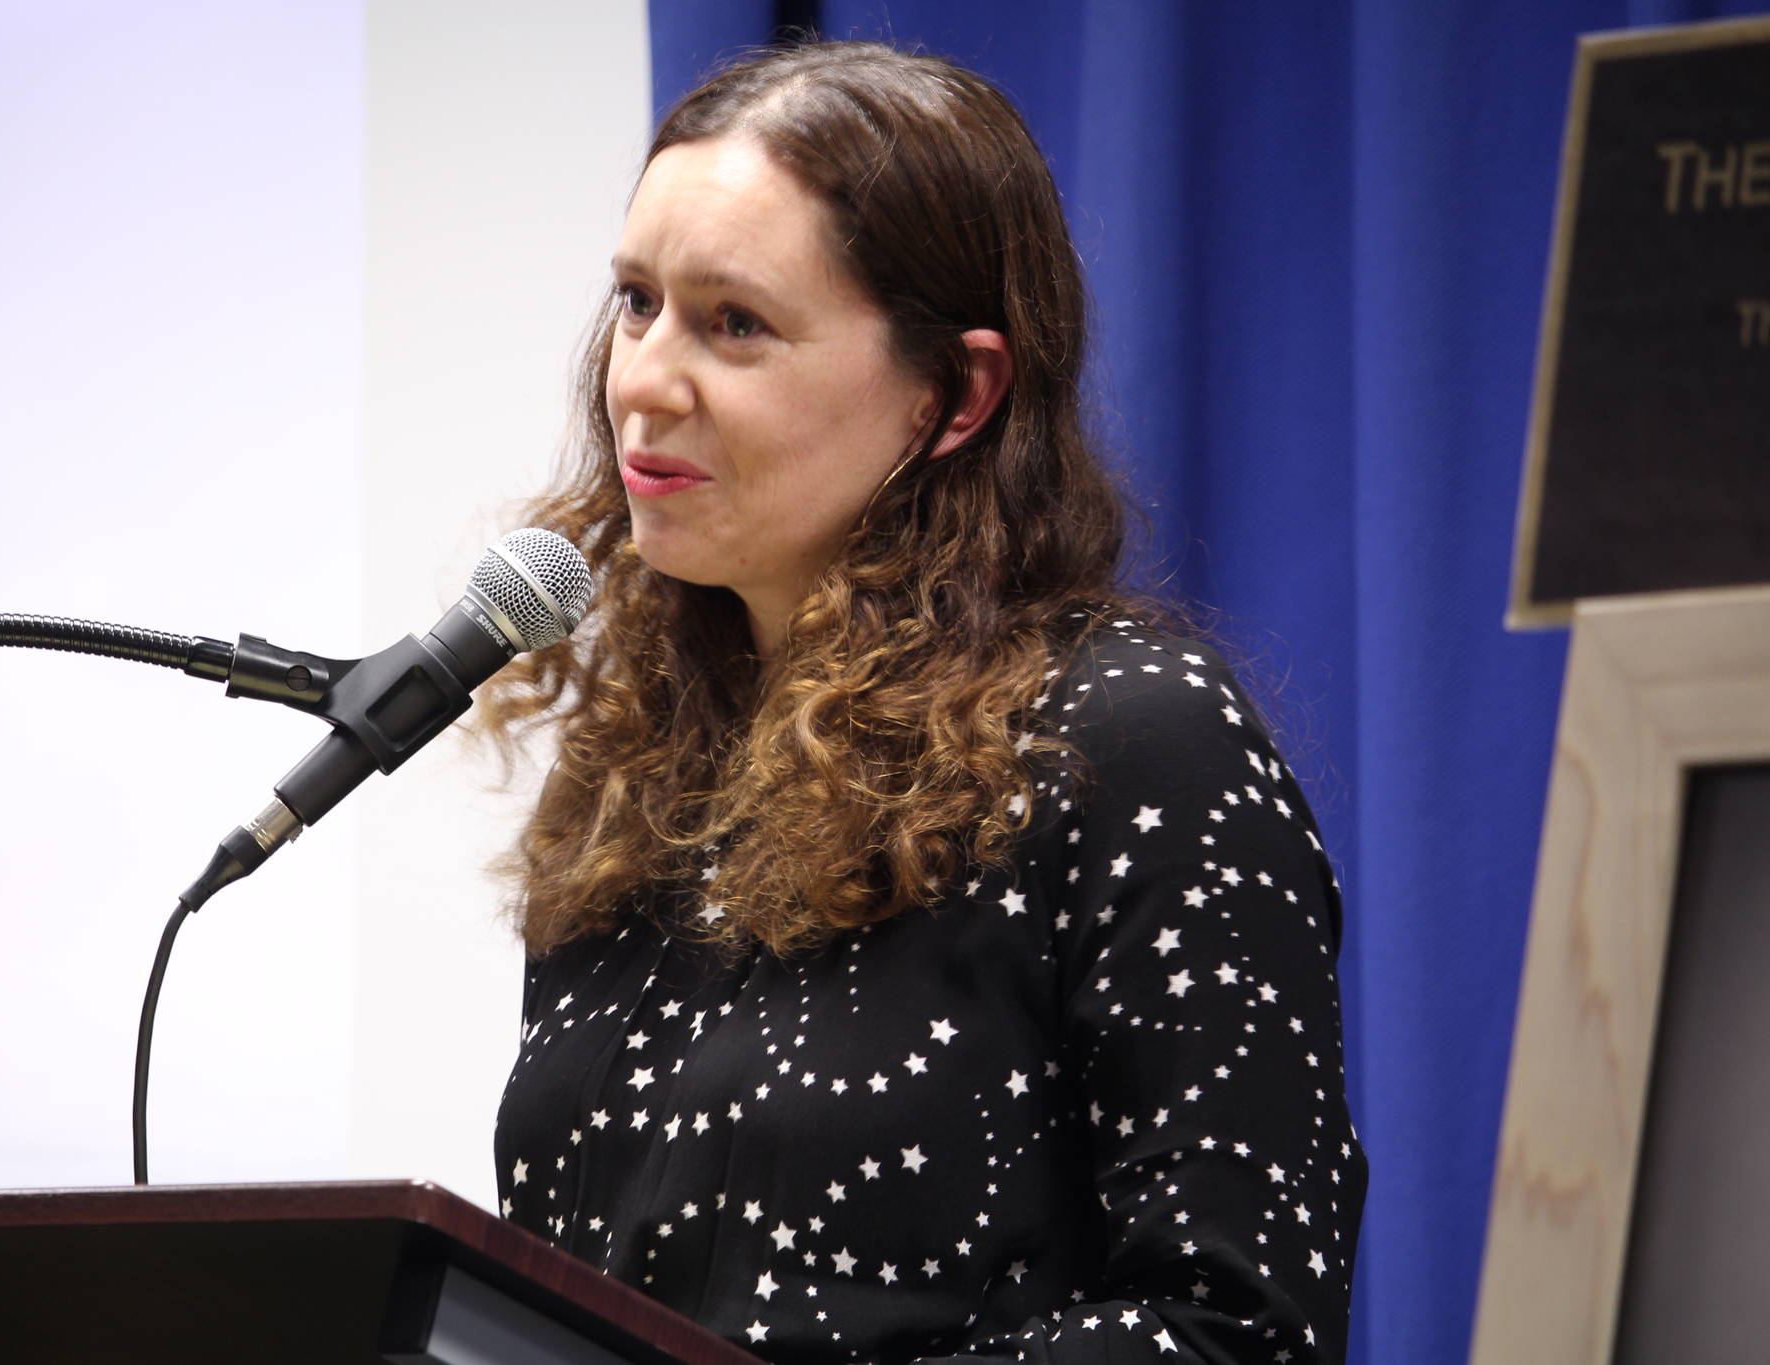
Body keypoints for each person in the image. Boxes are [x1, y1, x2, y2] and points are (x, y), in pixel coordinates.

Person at [483, 41, 1366, 1365]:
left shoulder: (1127, 741)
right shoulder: (633, 776)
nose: (643, 381)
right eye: (636, 301)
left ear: (955, 396)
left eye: (735, 323)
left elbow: (1238, 1329)